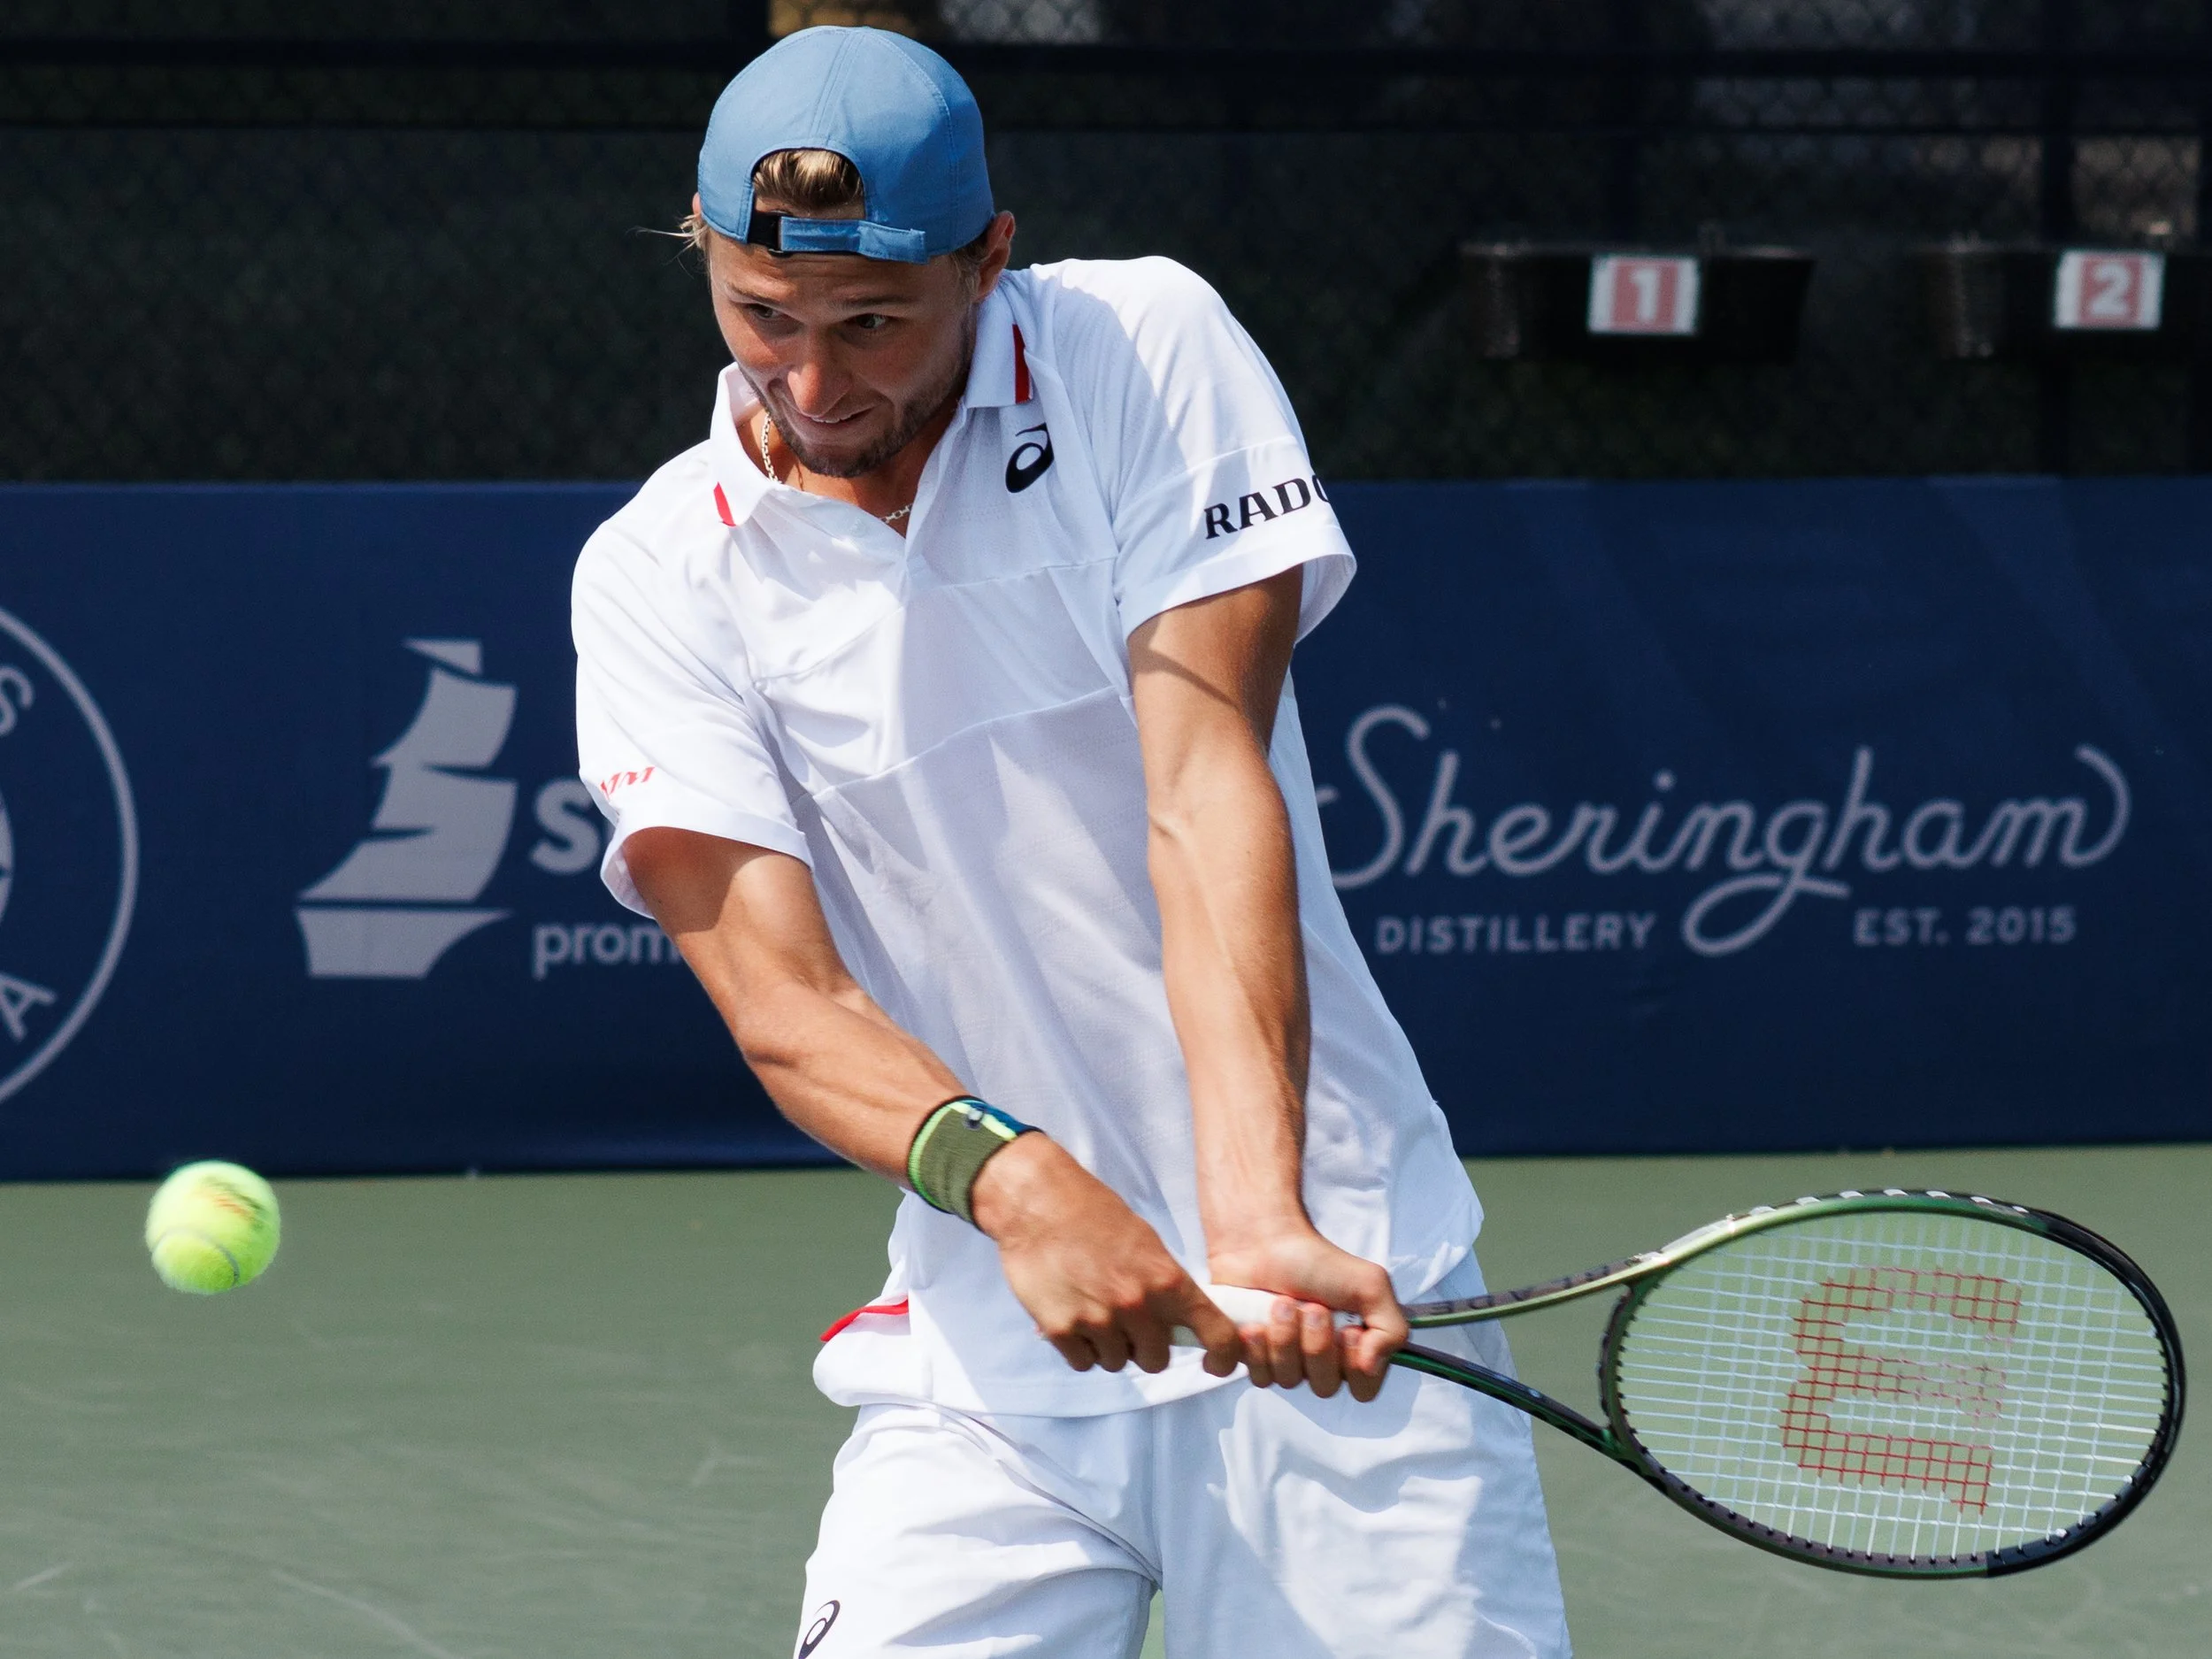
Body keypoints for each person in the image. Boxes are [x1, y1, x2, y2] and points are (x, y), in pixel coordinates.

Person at [572, 25, 1569, 1657]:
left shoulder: (1140, 348)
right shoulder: (652, 574)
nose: (813, 385)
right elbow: (787, 1003)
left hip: (1323, 1294)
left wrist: (1255, 1214)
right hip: (990, 1372)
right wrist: (1016, 1182)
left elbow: (1202, 787)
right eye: (763, 316)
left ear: (992, 258)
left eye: (872, 324)